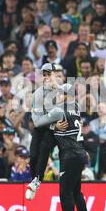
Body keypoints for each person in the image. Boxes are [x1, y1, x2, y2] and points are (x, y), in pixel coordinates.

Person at [25, 63, 68, 200]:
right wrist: (52, 125)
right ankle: (35, 181)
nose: (47, 76)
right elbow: (37, 121)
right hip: (46, 126)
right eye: (45, 74)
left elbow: (65, 111)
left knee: (44, 149)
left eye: (50, 73)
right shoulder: (38, 93)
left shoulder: (63, 89)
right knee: (33, 155)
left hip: (56, 128)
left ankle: (37, 180)